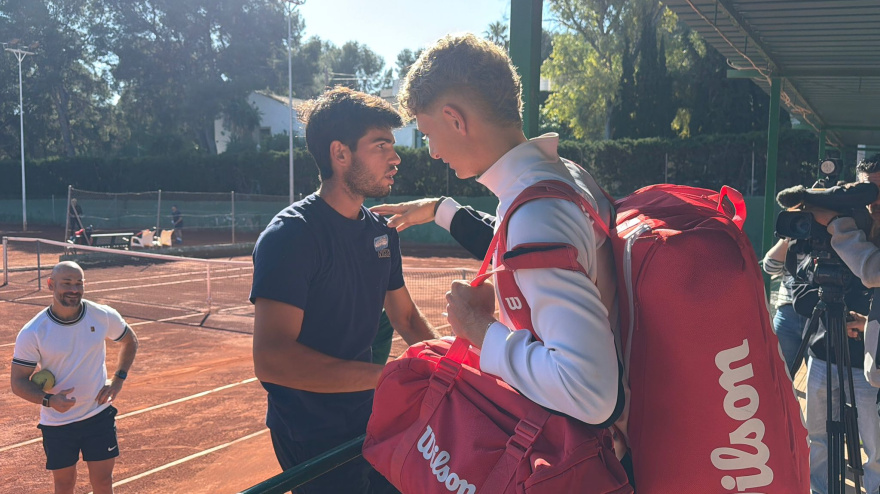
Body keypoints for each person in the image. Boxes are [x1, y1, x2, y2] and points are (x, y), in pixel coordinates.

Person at [371, 33, 627, 464]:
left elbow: (591, 391)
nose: (432, 152)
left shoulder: (538, 213)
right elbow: (517, 243)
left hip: (591, 460)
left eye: (429, 133)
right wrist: (441, 210)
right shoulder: (563, 175)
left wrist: (479, 330)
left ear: (455, 119)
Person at [250, 86, 438, 493]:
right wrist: (387, 376)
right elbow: (272, 359)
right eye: (381, 145)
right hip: (310, 432)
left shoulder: (382, 233)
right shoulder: (291, 235)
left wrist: (449, 367)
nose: (395, 157)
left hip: (370, 418)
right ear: (340, 154)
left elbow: (405, 316)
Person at [10, 261, 138, 494]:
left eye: (78, 283)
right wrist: (49, 401)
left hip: (97, 414)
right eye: (67, 283)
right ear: (51, 285)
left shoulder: (101, 315)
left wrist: (118, 379)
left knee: (103, 481)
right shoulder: (34, 331)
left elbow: (130, 340)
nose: (74, 289)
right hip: (58, 423)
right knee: (64, 484)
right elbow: (18, 382)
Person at [795, 155, 880, 494]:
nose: (874, 201)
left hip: (865, 362)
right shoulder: (847, 225)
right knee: (817, 435)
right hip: (824, 352)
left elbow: (872, 271)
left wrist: (835, 224)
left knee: (874, 443)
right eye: (868, 191)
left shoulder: (843, 228)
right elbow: (799, 284)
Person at [762, 238, 808, 371]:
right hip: (787, 312)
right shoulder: (792, 242)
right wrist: (787, 237)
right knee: (777, 371)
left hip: (820, 313)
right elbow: (770, 267)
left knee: (817, 375)